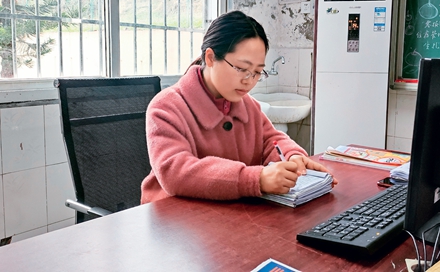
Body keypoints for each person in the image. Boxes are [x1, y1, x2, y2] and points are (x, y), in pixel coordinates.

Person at [140, 10, 337, 204]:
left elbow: (272, 140)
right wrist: (255, 179)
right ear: (210, 58)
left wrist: (294, 157)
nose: (248, 81)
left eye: (257, 72)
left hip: (226, 217)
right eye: (241, 69)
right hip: (173, 222)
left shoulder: (247, 105)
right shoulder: (166, 107)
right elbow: (175, 172)